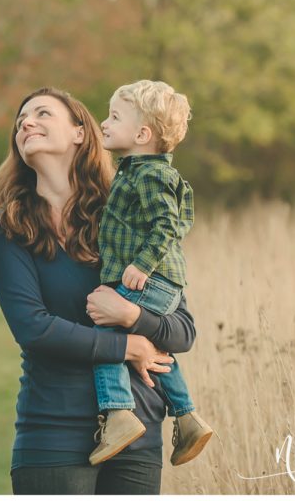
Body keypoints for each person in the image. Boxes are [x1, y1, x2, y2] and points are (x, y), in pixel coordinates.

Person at [0, 87, 195, 494]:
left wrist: (131, 316)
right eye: (20, 120)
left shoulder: (128, 208)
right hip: (53, 433)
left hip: (139, 431)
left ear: (80, 132)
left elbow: (182, 330)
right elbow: (34, 329)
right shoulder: (5, 226)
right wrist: (131, 347)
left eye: (42, 113)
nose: (26, 123)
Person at [90, 82, 211, 468]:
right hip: (162, 282)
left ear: (143, 135)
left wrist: (142, 265)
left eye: (113, 117)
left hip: (152, 279)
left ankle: (119, 414)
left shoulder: (150, 175)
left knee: (105, 332)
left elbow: (166, 224)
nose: (103, 123)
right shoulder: (134, 171)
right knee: (155, 350)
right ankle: (187, 417)